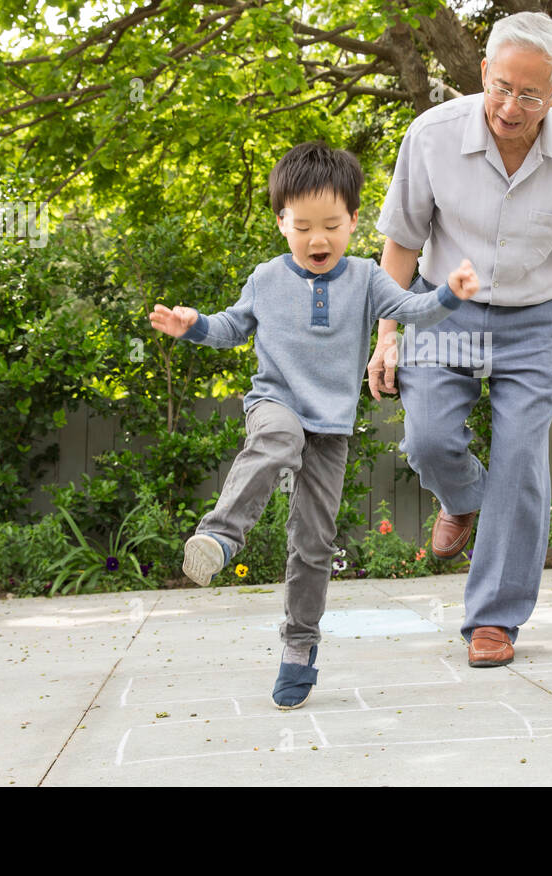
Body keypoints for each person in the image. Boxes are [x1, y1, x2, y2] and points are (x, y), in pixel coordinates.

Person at [150, 140, 480, 709]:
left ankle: (299, 647)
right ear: (282, 223)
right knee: (277, 437)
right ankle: (221, 536)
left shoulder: (368, 279)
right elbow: (232, 328)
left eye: (332, 224)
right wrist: (193, 325)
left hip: (332, 425)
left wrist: (449, 293)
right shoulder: (265, 278)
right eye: (303, 227)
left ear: (354, 220)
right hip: (276, 401)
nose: (318, 239)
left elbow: (412, 311)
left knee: (314, 542)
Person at [369, 11, 552, 667]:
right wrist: (386, 334)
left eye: (530, 94)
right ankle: (460, 499)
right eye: (501, 86)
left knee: (520, 460)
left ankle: (494, 621)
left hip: (536, 318)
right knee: (427, 438)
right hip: (443, 306)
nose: (510, 107)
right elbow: (401, 241)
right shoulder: (431, 137)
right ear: (484, 72)